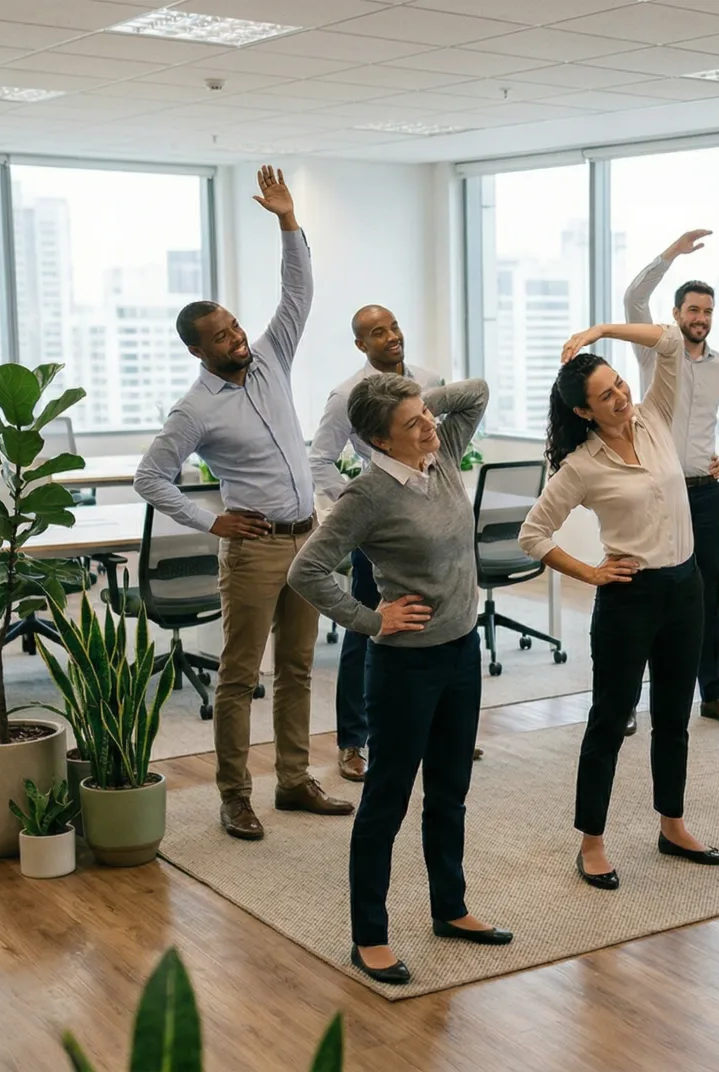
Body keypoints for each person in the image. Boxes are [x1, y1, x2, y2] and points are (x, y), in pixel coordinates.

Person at [134, 165, 353, 841]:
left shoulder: (271, 357)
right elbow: (151, 477)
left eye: (235, 327)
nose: (236, 339)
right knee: (238, 678)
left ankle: (293, 779)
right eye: (223, 337)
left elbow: (298, 291)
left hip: (307, 540)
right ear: (197, 350)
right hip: (253, 549)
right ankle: (234, 795)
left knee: (297, 669)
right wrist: (211, 520)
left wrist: (288, 221)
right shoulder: (194, 409)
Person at [289, 373, 510, 987]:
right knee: (386, 801)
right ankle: (369, 937)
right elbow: (306, 570)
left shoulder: (441, 454)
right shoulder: (368, 494)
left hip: (461, 652)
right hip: (406, 667)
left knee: (450, 790)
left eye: (426, 417)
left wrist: (415, 406)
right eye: (413, 425)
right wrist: (370, 619)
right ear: (379, 441)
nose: (429, 426)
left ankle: (450, 908)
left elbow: (477, 391)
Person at [518, 320, 719, 891]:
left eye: (619, 384)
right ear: (584, 412)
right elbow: (532, 534)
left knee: (674, 717)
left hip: (686, 588)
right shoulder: (581, 466)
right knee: (610, 719)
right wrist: (591, 572)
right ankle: (591, 843)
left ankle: (673, 825)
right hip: (629, 600)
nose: (621, 396)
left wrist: (601, 331)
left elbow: (668, 341)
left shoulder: (653, 417)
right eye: (605, 395)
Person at [306, 304, 480, 779]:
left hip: (431, 511)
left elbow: (473, 396)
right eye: (377, 332)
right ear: (361, 344)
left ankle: (442, 726)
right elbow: (320, 459)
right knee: (371, 629)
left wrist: (416, 402)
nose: (391, 337)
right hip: (382, 524)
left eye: (394, 327)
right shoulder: (346, 395)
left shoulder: (426, 380)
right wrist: (362, 507)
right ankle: (353, 740)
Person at [623, 228, 719, 729]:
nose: (700, 318)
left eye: (707, 311)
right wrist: (670, 253)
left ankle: (713, 694)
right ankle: (628, 702)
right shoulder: (655, 352)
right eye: (693, 310)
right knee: (644, 595)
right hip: (655, 493)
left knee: (706, 596)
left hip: (703, 494)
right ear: (676, 313)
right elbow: (634, 298)